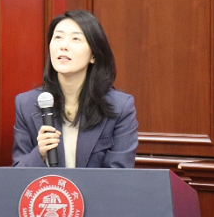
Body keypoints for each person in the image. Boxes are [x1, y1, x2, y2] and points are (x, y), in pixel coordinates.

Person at [12, 10, 138, 168]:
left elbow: (119, 174)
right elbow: (18, 173)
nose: (63, 46)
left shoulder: (120, 107)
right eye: (58, 37)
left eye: (76, 39)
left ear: (93, 55)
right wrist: (40, 153)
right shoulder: (26, 104)